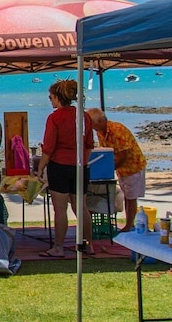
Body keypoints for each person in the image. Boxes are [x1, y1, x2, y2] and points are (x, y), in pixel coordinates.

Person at [40, 79, 99, 258]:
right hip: (80, 166)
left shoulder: (55, 117)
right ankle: (88, 245)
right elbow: (89, 144)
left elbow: (49, 147)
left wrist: (40, 167)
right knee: (81, 207)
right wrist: (83, 160)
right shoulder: (84, 116)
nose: (50, 101)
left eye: (51, 97)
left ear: (58, 97)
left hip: (60, 166)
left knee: (60, 208)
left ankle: (58, 247)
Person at [88, 108, 147, 232]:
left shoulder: (117, 130)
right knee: (127, 197)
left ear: (99, 121)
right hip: (122, 169)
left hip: (133, 166)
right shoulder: (100, 132)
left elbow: (123, 156)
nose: (90, 126)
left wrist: (108, 169)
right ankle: (129, 224)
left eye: (91, 122)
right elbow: (105, 153)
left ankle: (129, 225)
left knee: (131, 198)